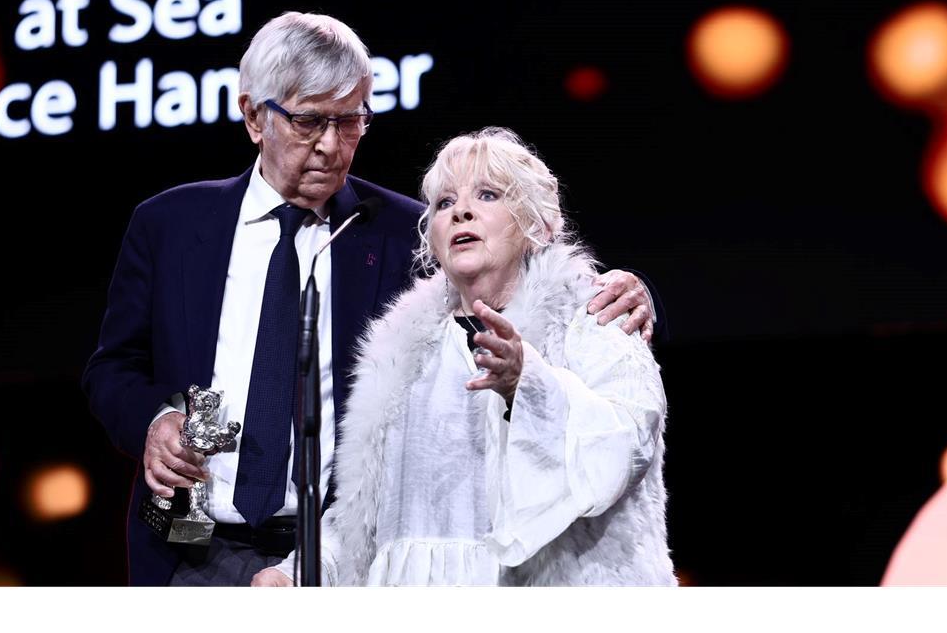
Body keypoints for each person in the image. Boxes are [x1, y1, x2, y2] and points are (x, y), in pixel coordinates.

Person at [83, 12, 661, 586]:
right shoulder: (171, 225)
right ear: (255, 117)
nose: (332, 147)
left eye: (351, 120)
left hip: (338, 551)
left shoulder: (406, 231)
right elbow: (113, 368)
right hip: (191, 539)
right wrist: (155, 421)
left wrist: (631, 290)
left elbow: (526, 268)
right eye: (309, 121)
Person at [254, 127, 675, 586]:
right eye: (444, 204)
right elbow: (368, 520)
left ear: (539, 224)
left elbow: (624, 445)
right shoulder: (401, 357)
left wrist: (527, 384)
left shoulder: (595, 314)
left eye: (488, 194)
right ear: (431, 238)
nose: (462, 212)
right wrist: (293, 573)